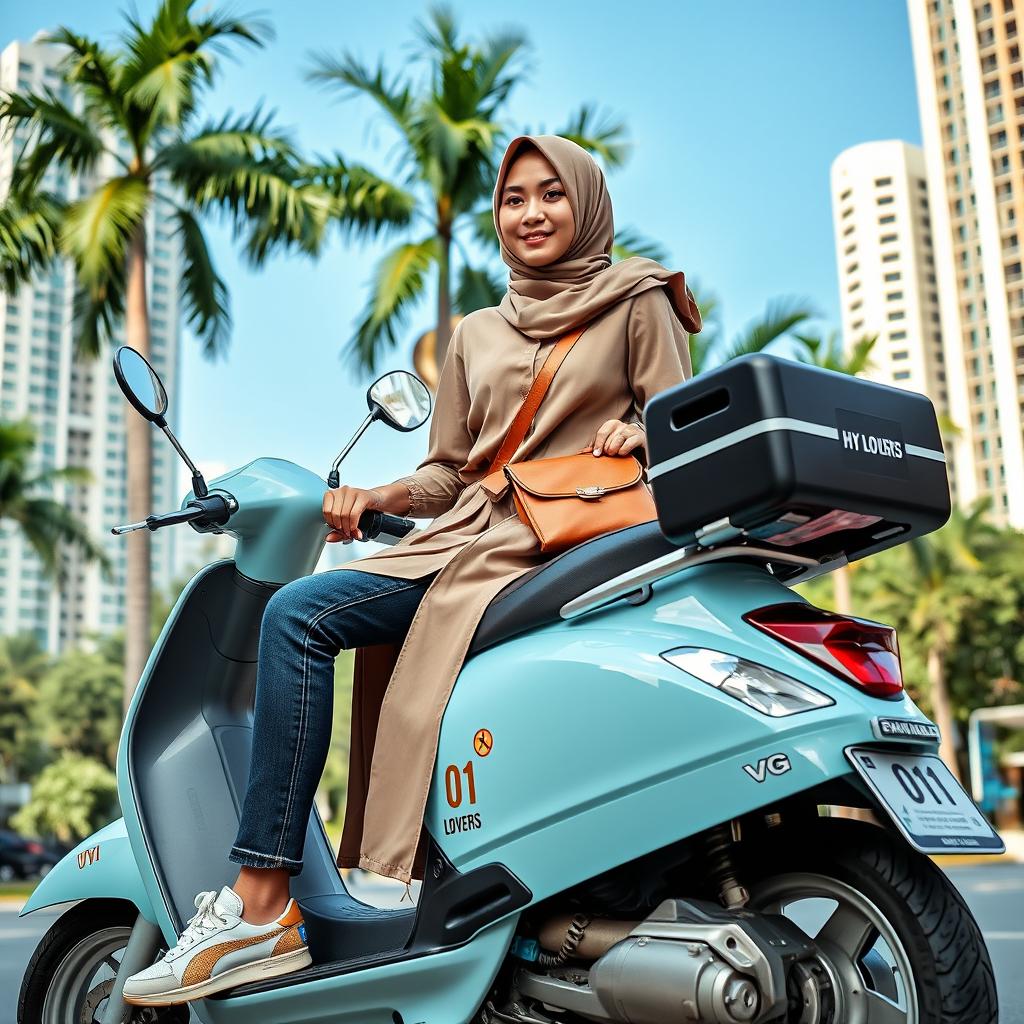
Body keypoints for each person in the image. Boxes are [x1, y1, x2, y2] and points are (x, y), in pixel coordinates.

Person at [122, 133, 701, 1007]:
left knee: (299, 617)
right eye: (514, 199)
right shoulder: (476, 330)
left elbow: (681, 425)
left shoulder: (638, 300)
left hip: (571, 540)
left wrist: (643, 436)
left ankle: (260, 902)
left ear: (588, 205)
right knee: (308, 613)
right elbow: (454, 472)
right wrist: (373, 494)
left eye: (552, 194)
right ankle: (304, 901)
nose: (532, 213)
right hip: (470, 537)